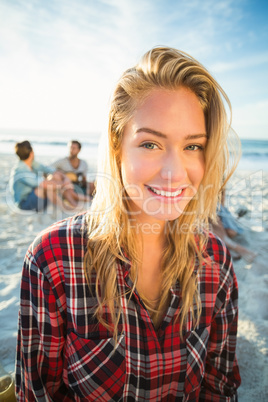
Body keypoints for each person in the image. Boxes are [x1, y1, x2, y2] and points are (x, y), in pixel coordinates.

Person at [15, 47, 241, 400]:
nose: (173, 173)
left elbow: (219, 388)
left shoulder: (217, 266)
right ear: (118, 147)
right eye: (150, 143)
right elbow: (38, 391)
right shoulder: (52, 259)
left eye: (193, 147)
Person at [9, 140, 89, 211]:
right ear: (31, 153)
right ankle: (66, 207)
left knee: (55, 176)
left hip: (39, 199)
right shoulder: (20, 171)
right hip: (25, 203)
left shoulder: (32, 163)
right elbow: (43, 184)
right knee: (47, 186)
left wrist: (65, 178)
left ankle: (72, 204)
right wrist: (64, 184)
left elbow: (52, 170)